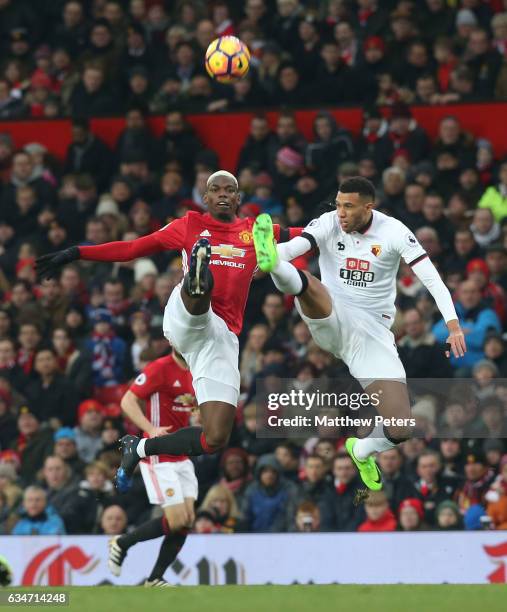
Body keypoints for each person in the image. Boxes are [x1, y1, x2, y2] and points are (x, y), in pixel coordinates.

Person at [36, 171, 301, 492]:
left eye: (229, 190)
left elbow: (306, 235)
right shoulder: (187, 225)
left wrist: (344, 226)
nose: (221, 194)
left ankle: (140, 449)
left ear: (238, 199)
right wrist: (78, 252)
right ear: (204, 197)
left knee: (215, 437)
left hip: (221, 339)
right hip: (185, 318)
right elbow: (133, 248)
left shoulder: (255, 232)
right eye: (214, 189)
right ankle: (198, 275)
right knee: (199, 294)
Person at [252, 176, 466, 492]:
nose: (341, 212)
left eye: (348, 207)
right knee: (307, 283)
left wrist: (453, 324)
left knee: (401, 426)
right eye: (338, 205)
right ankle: (273, 263)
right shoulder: (328, 223)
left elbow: (432, 280)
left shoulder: (394, 232)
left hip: (372, 334)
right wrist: (270, 257)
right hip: (333, 315)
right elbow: (297, 246)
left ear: (368, 207)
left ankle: (362, 450)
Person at [108, 350, 196, 588]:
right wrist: (150, 428)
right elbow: (128, 400)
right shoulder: (159, 367)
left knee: (187, 520)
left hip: (182, 454)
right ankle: (122, 543)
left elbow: (189, 407)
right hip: (158, 455)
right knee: (176, 519)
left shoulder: (195, 368)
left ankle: (155, 578)